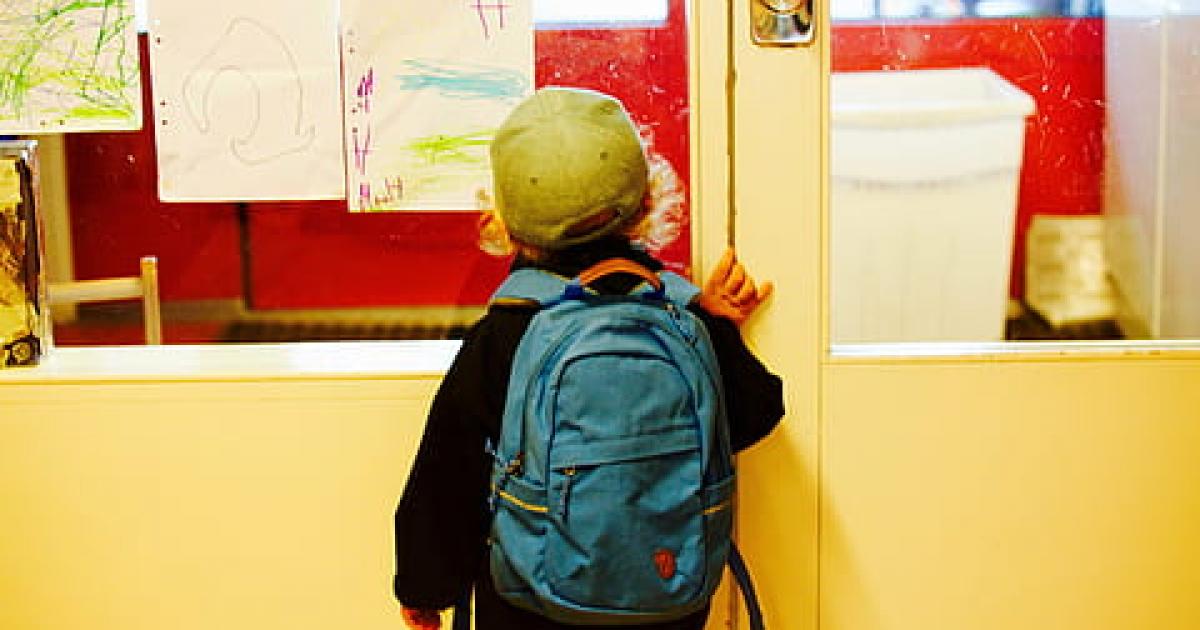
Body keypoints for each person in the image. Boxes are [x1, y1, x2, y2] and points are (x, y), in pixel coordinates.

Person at [393, 87, 784, 630]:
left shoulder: (507, 332)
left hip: (531, 600)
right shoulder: (681, 320)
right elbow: (757, 412)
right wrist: (717, 327)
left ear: (503, 224)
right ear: (648, 201)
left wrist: (425, 585)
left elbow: (447, 474)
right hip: (667, 593)